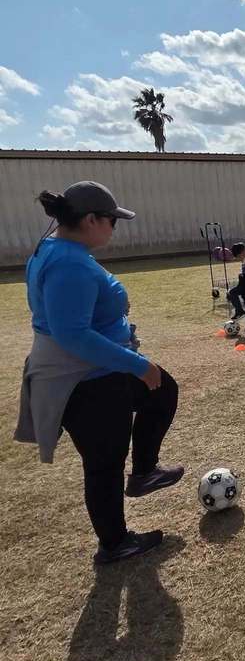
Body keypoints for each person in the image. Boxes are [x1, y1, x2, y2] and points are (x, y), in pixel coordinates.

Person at [14, 181, 183, 565]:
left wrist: (121, 334)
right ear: (90, 219)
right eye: (112, 221)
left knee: (162, 392)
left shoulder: (60, 250)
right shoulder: (66, 261)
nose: (114, 228)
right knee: (104, 462)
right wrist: (138, 364)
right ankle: (115, 543)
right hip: (86, 380)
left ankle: (143, 472)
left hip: (98, 371)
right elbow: (71, 333)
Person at [227, 242, 245, 319]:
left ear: (241, 253)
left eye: (237, 257)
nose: (237, 259)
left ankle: (240, 311)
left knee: (232, 292)